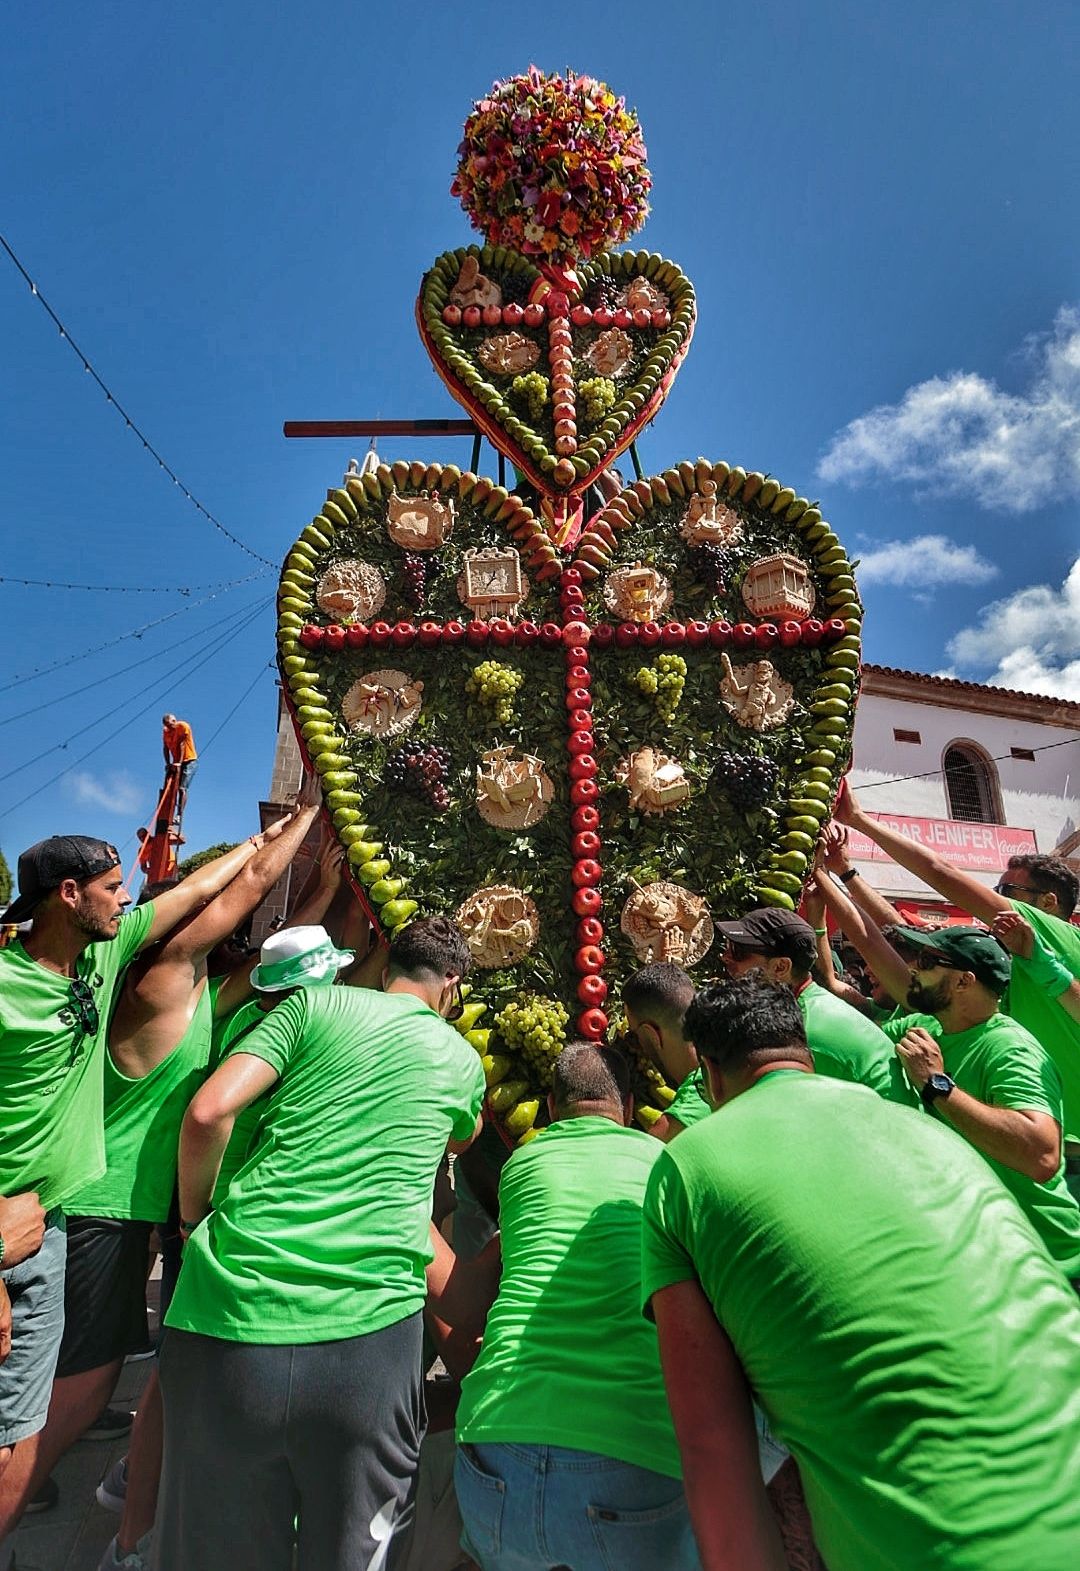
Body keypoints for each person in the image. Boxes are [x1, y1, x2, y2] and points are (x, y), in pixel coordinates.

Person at [641, 973, 1080, 1571]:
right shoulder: (930, 1129)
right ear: (806, 1052)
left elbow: (713, 1445)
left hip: (942, 1546)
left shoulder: (686, 1166)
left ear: (711, 1076)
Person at [13, 799, 320, 1569]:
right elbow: (242, 886)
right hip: (99, 1208)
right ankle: (27, 1482)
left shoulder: (147, 981)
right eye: (113, 890)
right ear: (68, 895)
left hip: (102, 1208)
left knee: (73, 1374)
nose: (127, 901)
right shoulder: (165, 976)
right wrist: (312, 810)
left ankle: (31, 1478)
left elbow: (272, 955)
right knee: (85, 1383)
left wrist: (328, 889)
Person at [155, 916, 486, 1571]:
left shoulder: (311, 1003)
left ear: (388, 959)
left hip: (227, 1314)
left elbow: (208, 1112)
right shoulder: (460, 1057)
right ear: (452, 983)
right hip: (368, 1339)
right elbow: (460, 1139)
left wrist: (195, 1223)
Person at [446, 1041, 703, 1571]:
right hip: (631, 1461)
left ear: (549, 1106)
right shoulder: (668, 1162)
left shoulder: (522, 1167)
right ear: (628, 1107)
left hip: (495, 1446)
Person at [835, 780, 1080, 1134]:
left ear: (1048, 903)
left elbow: (942, 873)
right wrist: (843, 875)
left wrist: (859, 820)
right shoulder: (1018, 966)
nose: (995, 898)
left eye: (1008, 892)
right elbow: (903, 937)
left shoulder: (1055, 939)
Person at [887, 924, 1080, 1285]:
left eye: (928, 961)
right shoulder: (927, 1029)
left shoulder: (1008, 1048)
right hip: (984, 1261)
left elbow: (1042, 1155)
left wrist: (937, 1085)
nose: (913, 968)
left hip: (1048, 1270)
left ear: (963, 982)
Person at [716, 907, 916, 1105]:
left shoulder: (803, 1030)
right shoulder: (805, 1006)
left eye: (739, 952)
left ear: (781, 967)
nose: (726, 957)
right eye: (728, 947)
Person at [622, 963, 710, 1140]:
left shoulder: (673, 1129)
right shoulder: (740, 1071)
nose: (636, 1048)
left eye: (633, 1037)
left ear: (653, 1035)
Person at [161, 715, 197, 816]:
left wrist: (179, 763)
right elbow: (165, 748)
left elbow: (182, 745)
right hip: (176, 762)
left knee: (182, 788)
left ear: (174, 721)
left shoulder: (183, 726)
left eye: (171, 725)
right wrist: (167, 764)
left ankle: (179, 814)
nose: (169, 728)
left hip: (189, 761)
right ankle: (168, 814)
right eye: (167, 726)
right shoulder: (166, 731)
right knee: (171, 788)